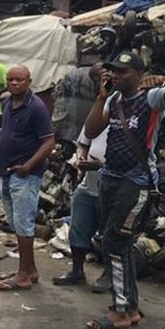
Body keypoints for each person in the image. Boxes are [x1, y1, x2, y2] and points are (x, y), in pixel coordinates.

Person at [83, 51, 165, 329]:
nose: (116, 75)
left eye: (123, 72)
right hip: (110, 177)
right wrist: (101, 96)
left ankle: (122, 311)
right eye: (113, 71)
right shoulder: (114, 100)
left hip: (135, 182)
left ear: (139, 75)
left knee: (115, 242)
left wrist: (162, 79)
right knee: (118, 242)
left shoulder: (150, 98)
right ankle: (131, 308)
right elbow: (91, 131)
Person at [0, 66, 55, 292]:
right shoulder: (8, 103)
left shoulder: (36, 107)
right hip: (7, 172)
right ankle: (29, 270)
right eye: (10, 79)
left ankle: (23, 276)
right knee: (15, 222)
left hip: (25, 174)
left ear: (29, 81)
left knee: (24, 224)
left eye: (19, 80)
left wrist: (28, 166)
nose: (14, 83)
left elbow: (49, 142)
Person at [53, 118, 107, 287]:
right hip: (89, 184)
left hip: (114, 187)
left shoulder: (130, 119)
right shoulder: (97, 119)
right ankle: (77, 271)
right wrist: (81, 157)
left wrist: (100, 166)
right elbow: (83, 143)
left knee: (111, 236)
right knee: (78, 228)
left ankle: (110, 275)